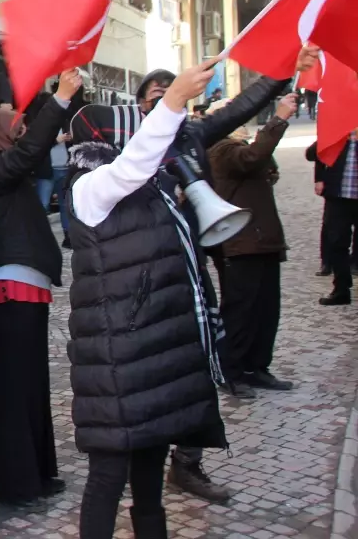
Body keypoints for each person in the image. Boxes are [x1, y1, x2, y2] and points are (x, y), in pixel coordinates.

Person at [97, 47, 316, 504]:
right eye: (158, 95)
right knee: (154, 372)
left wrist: (282, 70)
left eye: (172, 93)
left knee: (197, 368)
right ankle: (140, 461)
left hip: (191, 269)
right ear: (141, 107)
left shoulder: (193, 134)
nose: (166, 101)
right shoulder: (127, 150)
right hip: (142, 278)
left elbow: (242, 105)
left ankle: (188, 463)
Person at [66, 59, 227, 539]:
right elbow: (133, 163)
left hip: (154, 363)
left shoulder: (152, 188)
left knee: (150, 484)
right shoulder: (90, 188)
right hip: (116, 367)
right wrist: (173, 102)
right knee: (107, 481)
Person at [0, 69, 81, 509]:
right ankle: (14, 482)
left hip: (22, 284)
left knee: (30, 385)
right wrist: (61, 98)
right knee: (14, 387)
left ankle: (35, 473)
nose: (21, 133)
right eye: (12, 128)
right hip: (9, 288)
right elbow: (29, 151)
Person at [206, 93, 297, 396]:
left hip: (262, 240)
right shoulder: (220, 147)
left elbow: (264, 163)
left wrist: (261, 146)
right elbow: (251, 160)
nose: (241, 124)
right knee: (240, 311)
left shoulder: (238, 145)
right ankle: (231, 371)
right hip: (239, 243)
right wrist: (279, 119)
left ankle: (257, 367)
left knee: (266, 310)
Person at [308, 132, 358, 306]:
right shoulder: (337, 129)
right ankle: (341, 289)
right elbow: (311, 154)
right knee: (336, 243)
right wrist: (319, 178)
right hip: (338, 196)